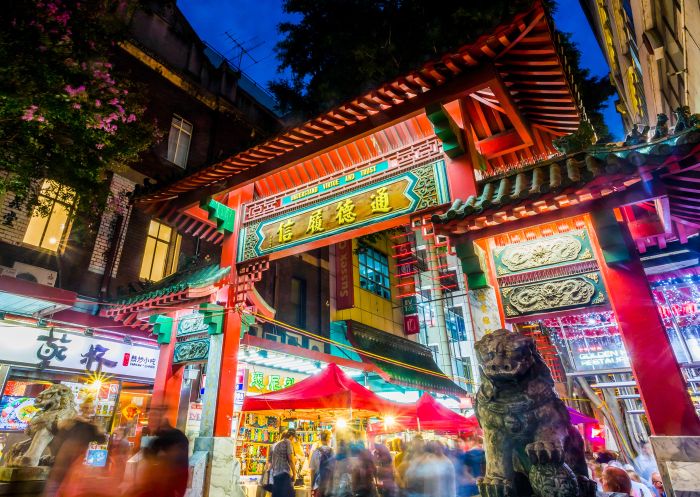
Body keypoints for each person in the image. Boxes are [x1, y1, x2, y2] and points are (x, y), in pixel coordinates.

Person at [270, 429, 297, 497]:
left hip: (276, 474)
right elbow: (291, 459)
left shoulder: (277, 444)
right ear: (291, 436)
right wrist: (294, 474)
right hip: (284, 474)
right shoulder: (288, 442)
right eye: (294, 438)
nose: (294, 440)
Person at [310, 430, 334, 497]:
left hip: (318, 485)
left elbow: (312, 471)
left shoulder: (316, 452)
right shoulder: (333, 452)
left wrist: (312, 485)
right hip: (329, 485)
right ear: (328, 439)